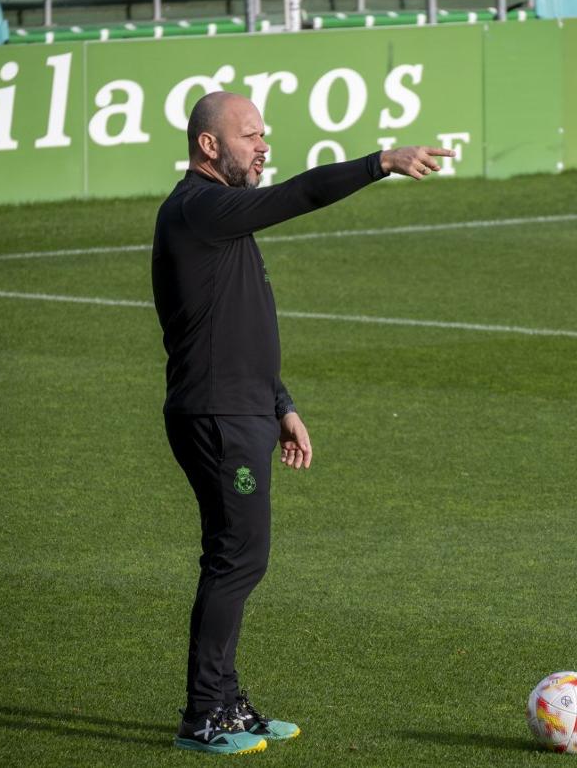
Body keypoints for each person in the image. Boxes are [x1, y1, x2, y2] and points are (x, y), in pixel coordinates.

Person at [151, 90, 454, 756]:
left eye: (265, 135)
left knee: (239, 559)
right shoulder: (199, 210)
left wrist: (281, 404)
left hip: (245, 410)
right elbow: (302, 195)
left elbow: (239, 330)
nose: (263, 147)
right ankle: (203, 715)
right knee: (236, 561)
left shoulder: (220, 220)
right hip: (218, 418)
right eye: (250, 136)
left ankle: (225, 703)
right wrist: (381, 161)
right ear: (209, 145)